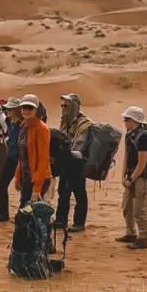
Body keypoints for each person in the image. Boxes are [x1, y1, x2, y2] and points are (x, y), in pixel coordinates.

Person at [117, 106, 147, 250]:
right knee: (127, 207)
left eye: (126, 119)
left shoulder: (144, 137)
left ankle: (143, 238)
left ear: (134, 120)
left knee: (140, 210)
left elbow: (142, 163)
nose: (124, 122)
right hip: (132, 177)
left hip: (143, 179)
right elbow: (127, 157)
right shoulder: (130, 134)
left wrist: (130, 179)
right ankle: (131, 233)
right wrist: (123, 177)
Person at [56, 93, 93, 233]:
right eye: (62, 105)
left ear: (74, 106)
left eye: (66, 105)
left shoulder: (84, 124)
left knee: (79, 193)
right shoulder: (65, 121)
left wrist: (66, 150)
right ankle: (61, 220)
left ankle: (79, 222)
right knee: (63, 191)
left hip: (78, 163)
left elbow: (80, 144)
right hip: (65, 161)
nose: (63, 108)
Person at [13, 94, 52, 208]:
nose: (26, 110)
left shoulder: (41, 129)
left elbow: (43, 159)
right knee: (26, 214)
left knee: (28, 215)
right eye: (23, 107)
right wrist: (18, 176)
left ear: (36, 110)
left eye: (30, 108)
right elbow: (23, 156)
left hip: (38, 178)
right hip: (27, 177)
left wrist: (37, 188)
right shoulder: (24, 126)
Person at [0, 97, 21, 223]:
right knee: (2, 183)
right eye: (7, 109)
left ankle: (23, 215)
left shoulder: (23, 124)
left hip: (22, 159)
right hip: (11, 157)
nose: (8, 111)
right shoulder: (9, 122)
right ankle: (3, 214)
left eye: (11, 109)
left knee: (24, 188)